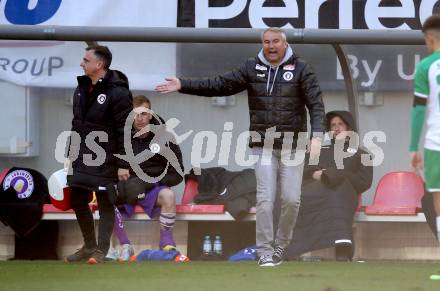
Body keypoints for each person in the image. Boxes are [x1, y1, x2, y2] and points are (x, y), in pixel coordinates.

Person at [155, 27, 325, 266]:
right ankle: (265, 251)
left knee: (291, 199)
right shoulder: (251, 67)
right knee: (265, 199)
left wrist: (317, 136)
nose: (271, 46)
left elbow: (316, 105)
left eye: (276, 41)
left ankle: (281, 246)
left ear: (285, 44)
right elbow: (219, 84)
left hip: (293, 146)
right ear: (262, 44)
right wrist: (183, 84)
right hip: (263, 145)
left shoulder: (301, 69)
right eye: (267, 42)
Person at [65, 45, 133, 264]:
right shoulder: (81, 87)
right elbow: (77, 125)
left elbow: (125, 129)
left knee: (105, 202)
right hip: (81, 156)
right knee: (77, 199)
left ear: (99, 65)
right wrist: (70, 154)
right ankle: (89, 246)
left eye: (85, 60)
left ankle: (101, 251)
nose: (81, 63)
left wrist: (123, 163)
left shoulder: (119, 92)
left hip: (107, 157)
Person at [285, 111, 373, 261]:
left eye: (340, 124)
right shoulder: (319, 151)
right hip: (315, 192)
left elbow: (364, 182)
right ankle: (289, 249)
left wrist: (337, 176)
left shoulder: (363, 154)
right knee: (290, 196)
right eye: (333, 125)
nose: (336, 128)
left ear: (350, 129)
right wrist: (316, 175)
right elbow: (302, 170)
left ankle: (342, 249)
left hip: (343, 194)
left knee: (337, 193)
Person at [111, 95, 184, 261]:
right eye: (135, 114)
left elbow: (177, 172)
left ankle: (166, 242)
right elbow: (108, 164)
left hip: (152, 187)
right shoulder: (120, 136)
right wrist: (118, 173)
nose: (139, 119)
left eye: (143, 114)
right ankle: (125, 246)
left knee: (168, 195)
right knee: (105, 195)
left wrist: (153, 182)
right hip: (128, 187)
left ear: (150, 114)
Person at [410, 15, 440, 246]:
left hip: (435, 143)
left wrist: (413, 147)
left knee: (437, 200)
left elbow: (419, 110)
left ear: (430, 39)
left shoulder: (425, 67)